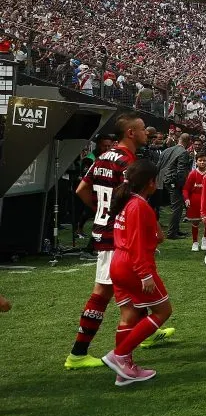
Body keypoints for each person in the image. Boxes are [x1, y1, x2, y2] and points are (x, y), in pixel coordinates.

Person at [67, 114, 172, 370]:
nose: (147, 133)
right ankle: (79, 352)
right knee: (103, 293)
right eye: (141, 129)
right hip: (118, 237)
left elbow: (82, 189)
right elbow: (132, 199)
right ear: (131, 134)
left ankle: (145, 333)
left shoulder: (103, 157)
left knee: (129, 294)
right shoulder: (128, 162)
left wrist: (101, 212)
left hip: (108, 231)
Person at [102, 160, 172, 385]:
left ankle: (123, 372)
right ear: (151, 182)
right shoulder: (139, 205)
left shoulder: (128, 201)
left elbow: (154, 236)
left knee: (129, 315)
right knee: (163, 311)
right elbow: (137, 244)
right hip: (133, 265)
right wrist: (145, 274)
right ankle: (120, 355)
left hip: (118, 262)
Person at [159, 133, 192, 239]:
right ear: (188, 142)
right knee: (177, 208)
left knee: (175, 207)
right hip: (173, 181)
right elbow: (181, 171)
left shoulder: (166, 150)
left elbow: (159, 165)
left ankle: (175, 230)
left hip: (163, 180)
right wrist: (182, 185)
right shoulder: (183, 152)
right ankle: (172, 233)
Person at [183, 151, 206, 251]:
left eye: (204, 160)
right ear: (196, 162)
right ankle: (194, 242)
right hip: (195, 200)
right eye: (200, 160)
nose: (202, 162)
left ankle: (205, 239)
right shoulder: (192, 174)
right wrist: (187, 199)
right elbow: (185, 189)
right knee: (195, 222)